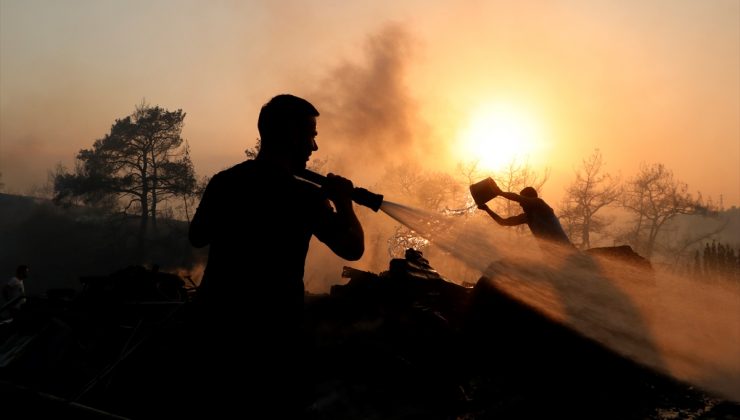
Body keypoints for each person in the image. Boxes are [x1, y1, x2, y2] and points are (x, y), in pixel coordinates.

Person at [188, 94, 365, 416]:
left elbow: (197, 236)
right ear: (291, 135)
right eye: (311, 135)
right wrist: (345, 203)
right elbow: (352, 249)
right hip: (273, 337)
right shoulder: (303, 196)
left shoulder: (225, 182)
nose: (314, 147)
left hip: (214, 331)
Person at [477, 185, 574, 248]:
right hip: (552, 260)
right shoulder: (527, 217)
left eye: (522, 201)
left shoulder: (541, 205)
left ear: (529, 199)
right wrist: (487, 209)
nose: (520, 204)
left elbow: (517, 197)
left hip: (568, 253)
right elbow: (503, 222)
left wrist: (500, 192)